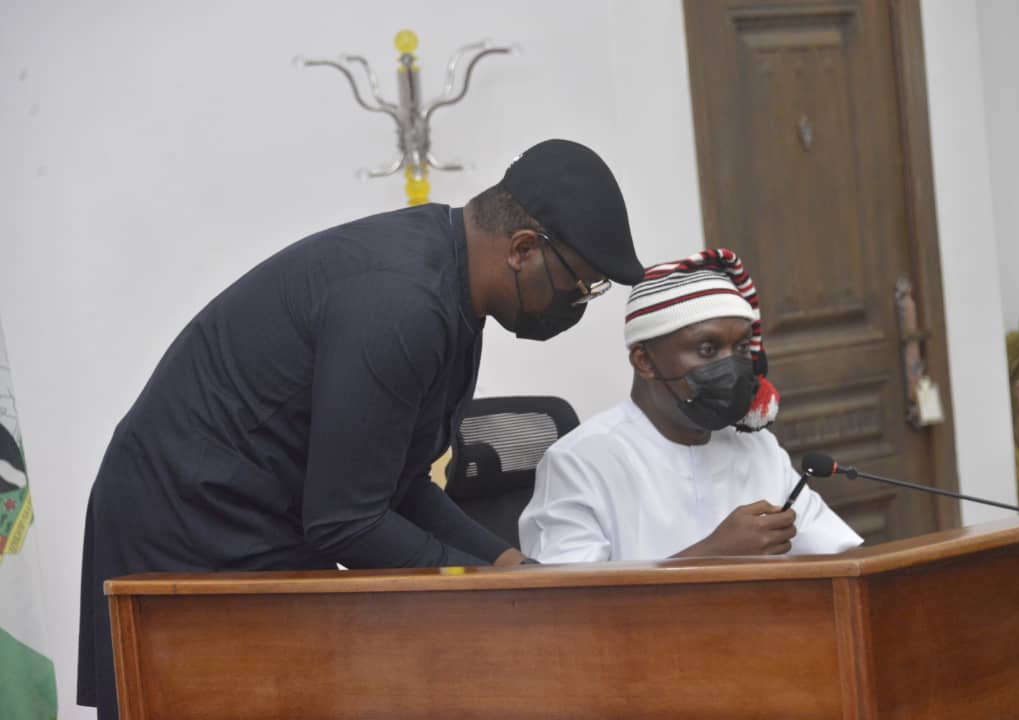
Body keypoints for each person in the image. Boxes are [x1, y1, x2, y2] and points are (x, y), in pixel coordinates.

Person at [77, 139, 644, 719]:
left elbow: (395, 485)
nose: (580, 301)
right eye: (581, 284)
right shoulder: (404, 303)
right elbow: (345, 521)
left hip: (256, 509)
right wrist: (478, 585)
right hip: (186, 515)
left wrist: (507, 564)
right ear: (522, 249)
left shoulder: (452, 289)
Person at [519, 249, 862, 563]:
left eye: (742, 348)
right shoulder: (579, 463)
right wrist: (712, 556)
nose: (731, 367)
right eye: (708, 349)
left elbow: (839, 557)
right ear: (644, 361)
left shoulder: (759, 448)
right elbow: (570, 602)